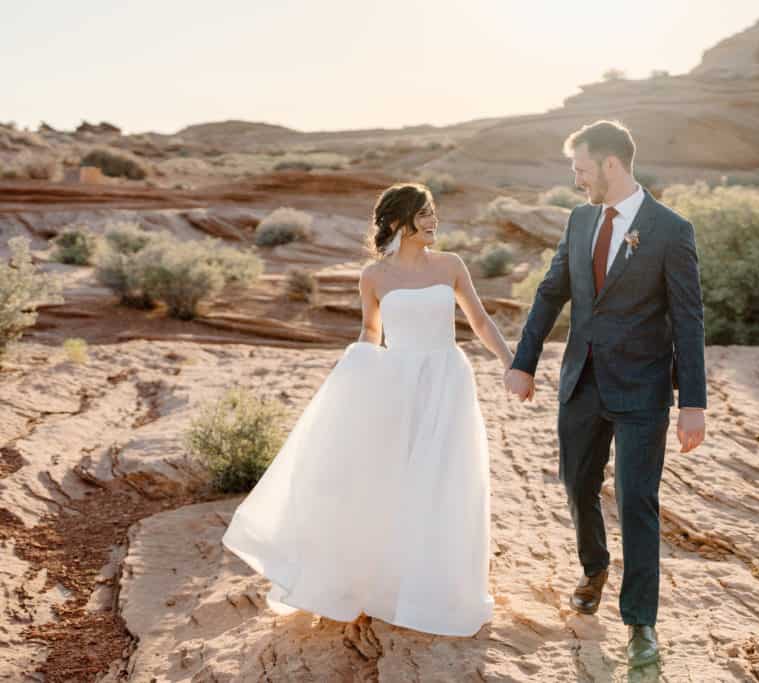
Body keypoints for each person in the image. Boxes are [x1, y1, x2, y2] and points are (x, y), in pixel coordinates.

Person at [222, 182, 512, 636]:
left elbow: (478, 320)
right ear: (399, 221)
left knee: (445, 478)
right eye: (424, 213)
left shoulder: (451, 265)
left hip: (447, 381)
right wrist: (352, 375)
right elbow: (371, 333)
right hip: (395, 384)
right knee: (391, 479)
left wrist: (511, 363)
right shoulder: (373, 276)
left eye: (433, 212)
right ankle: (383, 584)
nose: (434, 220)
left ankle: (436, 587)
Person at [504, 120, 707, 668]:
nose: (577, 180)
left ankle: (640, 622)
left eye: (582, 170)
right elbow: (551, 293)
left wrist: (693, 403)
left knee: (637, 500)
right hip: (581, 383)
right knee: (577, 485)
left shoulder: (671, 230)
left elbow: (688, 320)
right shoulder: (580, 220)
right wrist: (524, 362)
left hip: (643, 390)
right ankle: (594, 568)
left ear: (611, 164)